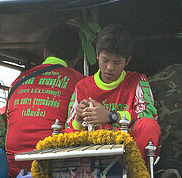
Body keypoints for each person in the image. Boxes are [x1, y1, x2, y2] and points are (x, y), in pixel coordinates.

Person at [66, 24, 161, 158]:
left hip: (129, 155)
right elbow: (69, 127)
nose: (109, 68)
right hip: (93, 153)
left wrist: (111, 116)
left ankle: (133, 175)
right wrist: (79, 118)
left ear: (128, 60)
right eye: (105, 60)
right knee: (66, 134)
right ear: (97, 55)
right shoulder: (82, 87)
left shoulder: (137, 81)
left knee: (149, 125)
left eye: (117, 63)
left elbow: (149, 114)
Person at [4, 24, 84, 178]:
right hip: (53, 165)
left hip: (13, 169)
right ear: (75, 60)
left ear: (45, 51)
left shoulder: (17, 81)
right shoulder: (81, 83)